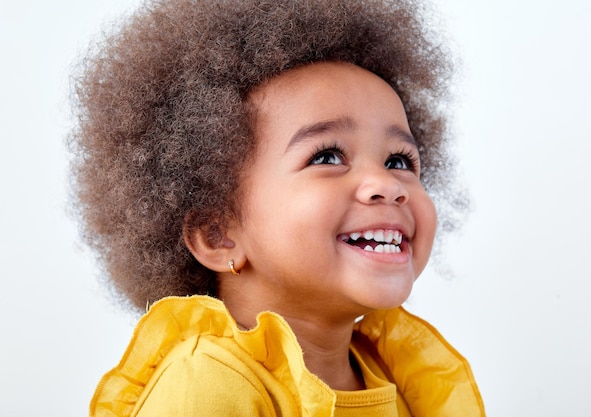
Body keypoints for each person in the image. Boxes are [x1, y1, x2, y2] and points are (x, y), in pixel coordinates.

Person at [70, 0, 485, 415]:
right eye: (326, 157)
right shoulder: (207, 384)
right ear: (219, 235)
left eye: (399, 161)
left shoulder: (403, 379)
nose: (388, 185)